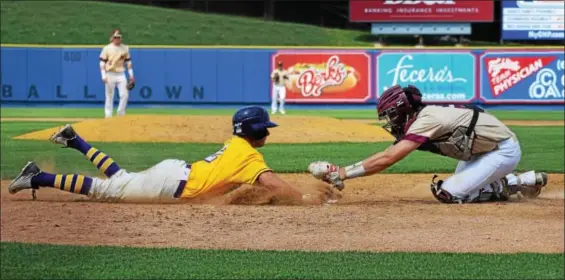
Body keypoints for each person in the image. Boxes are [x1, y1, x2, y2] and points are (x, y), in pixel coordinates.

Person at [8, 106, 326, 205]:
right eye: (265, 129)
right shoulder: (250, 158)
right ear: (256, 132)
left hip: (174, 174)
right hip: (171, 184)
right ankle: (37, 176)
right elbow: (273, 185)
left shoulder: (237, 145)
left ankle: (75, 141)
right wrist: (304, 199)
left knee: (120, 180)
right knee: (108, 190)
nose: (268, 133)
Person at [308, 84, 548, 204]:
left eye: (391, 114)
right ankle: (516, 182)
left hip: (502, 151)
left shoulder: (427, 119)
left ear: (402, 110)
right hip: (480, 153)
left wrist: (343, 173)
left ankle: (517, 181)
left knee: (450, 194)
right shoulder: (423, 117)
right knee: (464, 188)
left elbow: (389, 158)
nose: (390, 121)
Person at [99, 29, 135, 118]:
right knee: (109, 96)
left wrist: (131, 75)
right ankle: (108, 116)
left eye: (118, 37)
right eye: (115, 37)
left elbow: (128, 63)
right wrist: (103, 75)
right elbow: (102, 63)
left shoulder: (125, 48)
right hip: (110, 73)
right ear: (112, 38)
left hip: (121, 73)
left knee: (124, 95)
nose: (117, 39)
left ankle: (120, 114)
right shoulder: (107, 48)